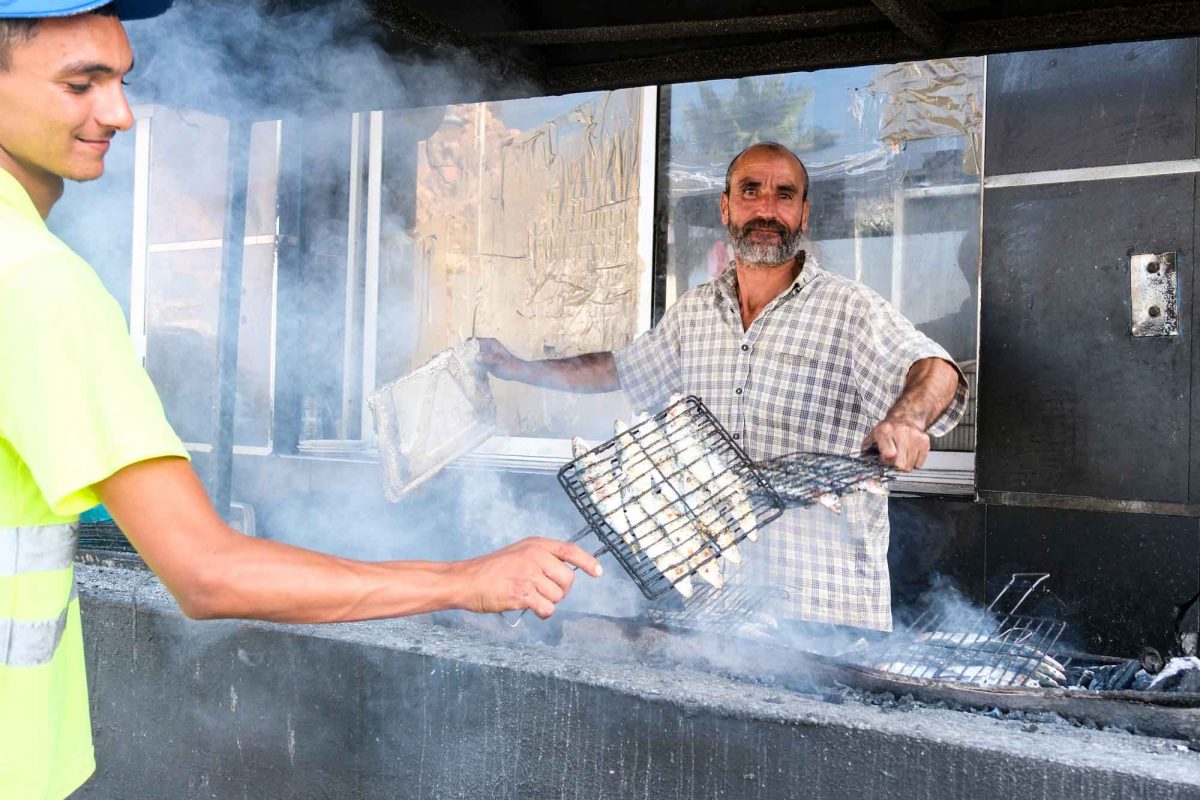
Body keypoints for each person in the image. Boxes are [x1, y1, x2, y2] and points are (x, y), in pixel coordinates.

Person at [0, 4, 601, 797]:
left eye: (122, 82)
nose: (120, 115)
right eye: (81, 84)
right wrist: (467, 579)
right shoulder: (36, 282)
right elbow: (206, 573)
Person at [479, 141, 967, 631]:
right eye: (750, 191)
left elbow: (935, 369)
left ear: (803, 214)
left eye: (784, 195)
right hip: (717, 620)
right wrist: (520, 369)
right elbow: (619, 369)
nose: (766, 209)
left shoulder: (850, 309)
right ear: (725, 207)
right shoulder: (694, 312)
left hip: (823, 615)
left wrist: (906, 419)